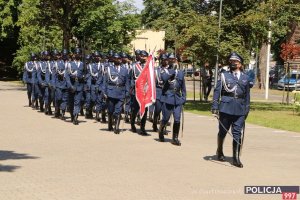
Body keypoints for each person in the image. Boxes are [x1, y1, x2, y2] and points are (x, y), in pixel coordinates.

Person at [211, 52, 251, 168]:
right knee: (223, 131)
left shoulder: (245, 77)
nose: (233, 63)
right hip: (226, 108)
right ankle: (219, 150)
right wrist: (214, 106)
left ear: (240, 64)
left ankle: (236, 157)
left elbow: (247, 95)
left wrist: (247, 108)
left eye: (236, 62)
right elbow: (217, 91)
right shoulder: (224, 75)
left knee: (237, 133)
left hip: (240, 109)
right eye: (232, 61)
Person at [158, 53, 186, 146]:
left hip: (177, 98)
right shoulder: (164, 71)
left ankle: (175, 138)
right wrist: (172, 71)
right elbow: (164, 79)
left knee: (177, 119)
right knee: (165, 119)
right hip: (168, 97)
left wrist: (184, 98)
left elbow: (183, 86)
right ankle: (161, 131)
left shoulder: (181, 72)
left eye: (174, 59)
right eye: (170, 59)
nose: (172, 61)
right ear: (168, 61)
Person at [102, 53, 130, 134]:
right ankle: (110, 123)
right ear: (113, 60)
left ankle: (116, 127)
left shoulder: (125, 70)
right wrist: (104, 92)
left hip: (121, 92)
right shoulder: (109, 69)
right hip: (111, 92)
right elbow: (105, 82)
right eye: (115, 59)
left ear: (121, 60)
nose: (117, 60)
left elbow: (127, 83)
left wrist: (127, 92)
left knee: (118, 110)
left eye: (118, 59)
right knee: (110, 110)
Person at [65, 48, 85, 125]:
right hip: (71, 86)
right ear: (74, 55)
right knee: (71, 103)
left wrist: (83, 77)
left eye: (79, 53)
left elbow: (85, 74)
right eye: (76, 53)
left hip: (79, 86)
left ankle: (76, 117)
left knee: (78, 102)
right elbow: (67, 77)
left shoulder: (83, 64)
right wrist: (70, 86)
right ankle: (72, 116)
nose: (78, 55)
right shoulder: (70, 64)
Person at [152, 53, 169, 132]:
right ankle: (154, 123)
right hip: (158, 92)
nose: (165, 61)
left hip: (167, 92)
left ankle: (163, 128)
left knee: (165, 111)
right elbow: (154, 82)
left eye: (166, 60)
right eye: (163, 60)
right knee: (158, 110)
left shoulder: (169, 70)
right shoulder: (156, 70)